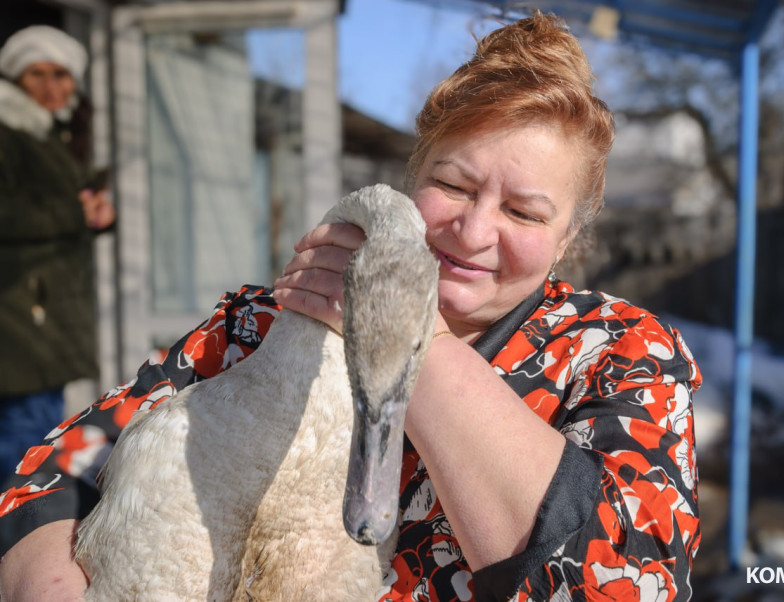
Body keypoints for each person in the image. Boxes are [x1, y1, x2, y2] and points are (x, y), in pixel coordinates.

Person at [0, 12, 701, 601]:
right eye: (453, 186)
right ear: (412, 176)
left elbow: (623, 582)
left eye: (523, 211)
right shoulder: (263, 326)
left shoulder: (623, 355)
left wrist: (400, 330)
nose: (474, 230)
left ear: (570, 234)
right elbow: (52, 472)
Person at [0, 25, 115, 485]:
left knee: (32, 429)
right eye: (38, 74)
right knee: (23, 440)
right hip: (20, 315)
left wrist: (96, 214)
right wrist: (73, 210)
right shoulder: (9, 131)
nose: (53, 86)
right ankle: (13, 545)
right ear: (15, 78)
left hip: (42, 311)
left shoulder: (50, 131)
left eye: (62, 75)